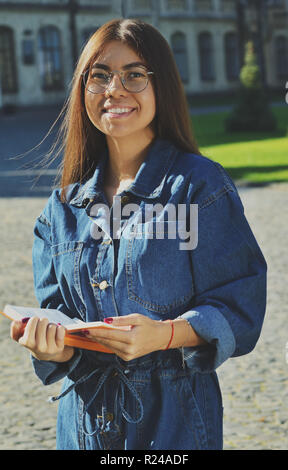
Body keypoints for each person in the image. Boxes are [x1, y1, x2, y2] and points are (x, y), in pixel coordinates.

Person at [10, 18, 267, 450]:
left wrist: (164, 335)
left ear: (160, 86)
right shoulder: (60, 211)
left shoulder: (198, 187)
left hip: (176, 423)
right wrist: (50, 346)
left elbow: (241, 305)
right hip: (84, 426)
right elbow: (58, 315)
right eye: (100, 76)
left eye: (134, 74)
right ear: (83, 91)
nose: (115, 89)